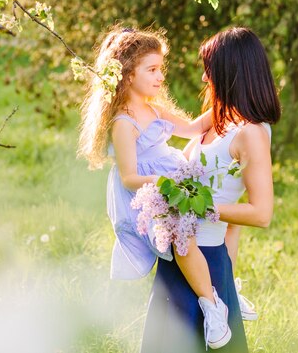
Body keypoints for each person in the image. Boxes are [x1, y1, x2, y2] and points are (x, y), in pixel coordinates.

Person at [77, 27, 232, 348]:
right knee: (183, 237)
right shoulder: (124, 122)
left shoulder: (153, 109)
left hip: (170, 185)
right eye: (152, 69)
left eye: (161, 68)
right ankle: (213, 305)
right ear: (128, 75)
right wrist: (170, 183)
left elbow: (192, 128)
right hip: (148, 198)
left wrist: (230, 97)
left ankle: (227, 289)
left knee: (222, 208)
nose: (161, 76)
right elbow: (129, 177)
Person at [141, 27, 281, 352]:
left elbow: (261, 214)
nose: (205, 78)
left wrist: (198, 208)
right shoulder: (220, 116)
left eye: (210, 69)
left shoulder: (251, 134)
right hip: (179, 256)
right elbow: (179, 126)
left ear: (230, 71)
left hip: (205, 256)